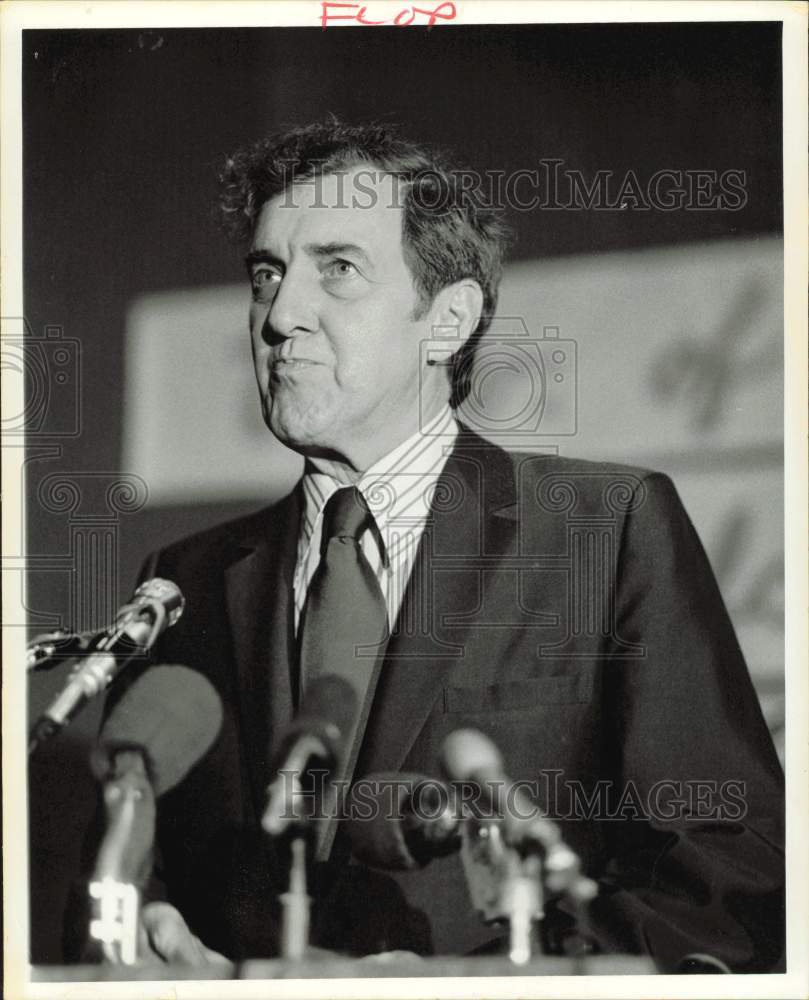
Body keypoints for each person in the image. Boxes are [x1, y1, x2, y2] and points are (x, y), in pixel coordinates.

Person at [70, 120, 784, 972]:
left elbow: (729, 874)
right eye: (268, 273)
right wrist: (141, 943)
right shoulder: (183, 582)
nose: (279, 316)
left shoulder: (606, 526)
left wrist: (473, 987)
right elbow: (123, 869)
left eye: (336, 269)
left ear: (446, 321)